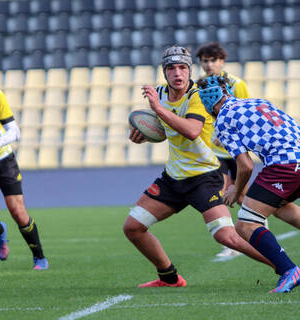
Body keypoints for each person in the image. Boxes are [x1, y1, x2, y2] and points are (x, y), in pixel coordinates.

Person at [123, 45, 274, 289]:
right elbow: (164, 127)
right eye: (171, 68)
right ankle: (170, 278)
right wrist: (145, 133)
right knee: (133, 227)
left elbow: (192, 131)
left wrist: (158, 110)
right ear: (164, 72)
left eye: (182, 67)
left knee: (226, 236)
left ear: (189, 69)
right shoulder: (160, 94)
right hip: (173, 178)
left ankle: (286, 268)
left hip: (205, 178)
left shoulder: (198, 95)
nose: (177, 73)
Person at [197, 74, 300, 293]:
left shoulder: (223, 119)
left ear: (207, 101)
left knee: (245, 224)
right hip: (295, 158)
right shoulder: (258, 102)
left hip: (284, 165)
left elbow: (245, 166)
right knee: (280, 207)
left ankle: (289, 270)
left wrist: (235, 190)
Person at [0, 57, 48, 270]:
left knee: (18, 212)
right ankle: (0, 231)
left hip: (3, 160)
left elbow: (14, 131)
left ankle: (39, 256)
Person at [196, 42, 254, 258]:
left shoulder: (236, 84)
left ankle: (258, 231)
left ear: (222, 61)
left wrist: (232, 134)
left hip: (236, 150)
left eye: (214, 60)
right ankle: (231, 245)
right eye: (205, 61)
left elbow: (247, 112)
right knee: (219, 192)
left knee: (242, 196)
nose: (209, 64)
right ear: (200, 63)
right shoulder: (199, 87)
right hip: (215, 152)